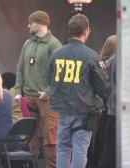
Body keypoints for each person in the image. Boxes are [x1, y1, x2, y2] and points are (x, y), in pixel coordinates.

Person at [45, 14, 109, 168]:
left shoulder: (56, 54)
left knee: (63, 149)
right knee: (80, 149)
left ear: (70, 30)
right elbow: (104, 87)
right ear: (86, 31)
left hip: (62, 109)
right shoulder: (92, 56)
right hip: (84, 111)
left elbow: (49, 80)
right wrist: (97, 101)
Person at [14, 10, 62, 168]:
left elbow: (59, 72)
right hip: (28, 97)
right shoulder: (28, 43)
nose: (28, 25)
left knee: (50, 137)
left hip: (46, 100)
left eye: (31, 22)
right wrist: (18, 91)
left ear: (41, 23)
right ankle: (31, 165)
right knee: (30, 136)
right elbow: (20, 68)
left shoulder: (54, 44)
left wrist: (48, 92)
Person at [86, 35, 117, 168]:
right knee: (108, 147)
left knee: (99, 145)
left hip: (100, 109)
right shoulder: (112, 62)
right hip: (108, 110)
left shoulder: (98, 63)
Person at [97, 35, 117, 168]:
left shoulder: (101, 63)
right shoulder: (112, 62)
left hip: (106, 109)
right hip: (110, 109)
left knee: (105, 144)